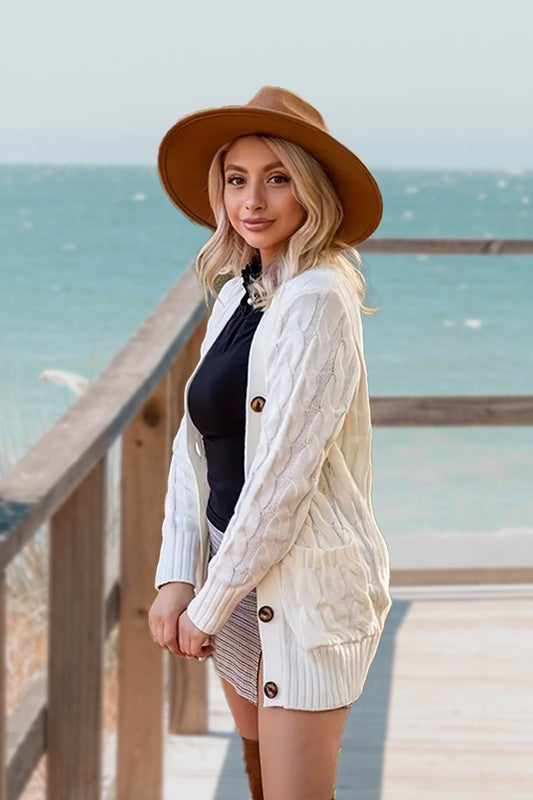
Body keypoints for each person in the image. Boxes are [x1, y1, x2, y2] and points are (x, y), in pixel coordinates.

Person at [148, 85, 392, 800]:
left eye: (277, 178)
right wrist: (176, 575)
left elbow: (282, 484)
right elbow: (194, 449)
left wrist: (207, 602)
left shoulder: (317, 300)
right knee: (261, 785)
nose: (252, 200)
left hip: (303, 592)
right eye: (236, 179)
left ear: (312, 191)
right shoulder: (237, 291)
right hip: (233, 572)